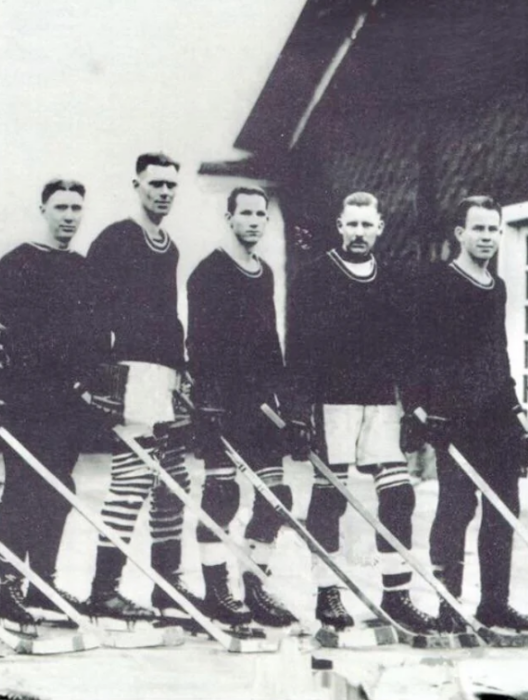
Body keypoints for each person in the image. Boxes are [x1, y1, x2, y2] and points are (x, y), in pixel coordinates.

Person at [285, 191, 435, 634]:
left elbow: (407, 350)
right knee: (330, 498)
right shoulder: (314, 277)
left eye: (367, 225)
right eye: (352, 224)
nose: (359, 233)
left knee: (398, 496)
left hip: (381, 403)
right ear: (339, 225)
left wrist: (414, 406)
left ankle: (396, 595)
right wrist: (297, 411)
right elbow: (299, 350)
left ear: (380, 229)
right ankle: (327, 593)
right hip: (331, 402)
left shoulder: (392, 280)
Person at [404, 195, 528, 632]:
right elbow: (416, 349)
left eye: (493, 229)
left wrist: (514, 404)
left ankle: (494, 603)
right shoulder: (439, 282)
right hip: (454, 417)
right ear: (460, 233)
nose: (487, 237)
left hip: (497, 416)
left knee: (505, 508)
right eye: (479, 229)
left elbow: (496, 352)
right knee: (455, 508)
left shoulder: (497, 286)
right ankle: (449, 607)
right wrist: (421, 406)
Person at [0, 178, 104, 631]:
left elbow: (93, 336)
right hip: (24, 398)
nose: (69, 215)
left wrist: (87, 381)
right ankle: (8, 588)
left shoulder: (83, 266)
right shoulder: (15, 263)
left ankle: (43, 583)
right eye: (61, 207)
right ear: (43, 209)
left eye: (77, 207)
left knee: (59, 489)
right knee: (21, 488)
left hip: (66, 400)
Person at [84, 152, 197, 622]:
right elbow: (89, 309)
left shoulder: (168, 245)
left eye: (171, 184)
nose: (164, 192)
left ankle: (167, 587)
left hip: (164, 375)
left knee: (173, 482)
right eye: (156, 184)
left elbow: (167, 317)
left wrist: (181, 368)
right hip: (128, 373)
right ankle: (103, 589)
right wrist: (100, 373)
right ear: (137, 185)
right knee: (132, 481)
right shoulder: (115, 238)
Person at [186, 186, 297, 628]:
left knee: (275, 498)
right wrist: (207, 399)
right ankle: (216, 592)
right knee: (222, 495)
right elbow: (199, 342)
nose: (253, 221)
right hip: (221, 402)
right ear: (229, 217)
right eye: (245, 213)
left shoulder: (264, 273)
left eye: (260, 214)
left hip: (259, 404)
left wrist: (287, 403)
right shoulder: (208, 272)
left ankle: (254, 587)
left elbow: (270, 343)